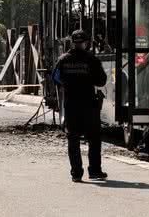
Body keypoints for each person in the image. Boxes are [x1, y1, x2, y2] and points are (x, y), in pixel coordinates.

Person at [52, 30, 108, 183]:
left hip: (71, 105)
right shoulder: (92, 60)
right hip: (89, 105)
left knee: (73, 138)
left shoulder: (63, 60)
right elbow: (101, 81)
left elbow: (55, 79)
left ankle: (76, 173)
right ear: (87, 42)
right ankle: (95, 171)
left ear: (72, 42)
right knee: (94, 138)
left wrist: (69, 85)